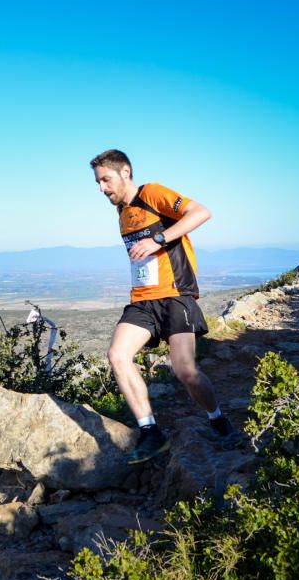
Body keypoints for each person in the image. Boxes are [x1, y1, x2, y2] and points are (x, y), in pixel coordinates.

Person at [90, 149, 241, 464]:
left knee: (185, 371)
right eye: (98, 183)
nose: (102, 188)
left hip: (175, 295)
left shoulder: (152, 193)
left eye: (106, 180)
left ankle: (217, 419)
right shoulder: (122, 213)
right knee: (118, 356)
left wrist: (158, 239)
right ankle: (150, 431)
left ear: (126, 172)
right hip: (142, 300)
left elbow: (201, 212)